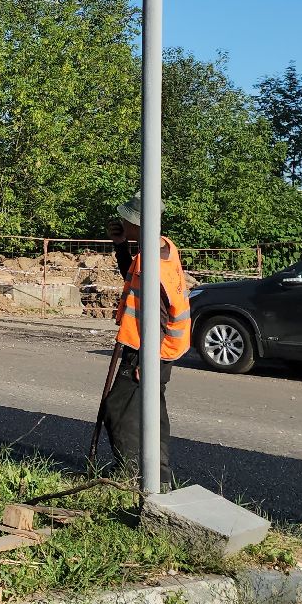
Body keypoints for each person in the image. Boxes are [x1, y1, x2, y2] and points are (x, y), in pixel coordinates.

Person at [99, 193, 192, 489]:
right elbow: (132, 275)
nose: (123, 221)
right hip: (159, 350)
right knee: (153, 410)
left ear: (139, 223)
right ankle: (160, 475)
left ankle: (131, 473)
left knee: (118, 409)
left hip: (149, 350)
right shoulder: (160, 249)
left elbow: (160, 315)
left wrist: (146, 360)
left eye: (128, 219)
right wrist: (121, 247)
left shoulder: (154, 264)